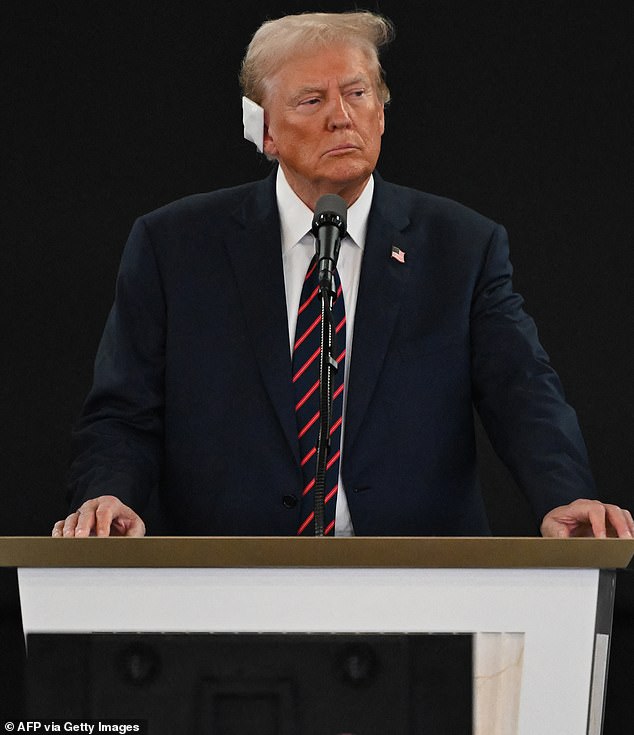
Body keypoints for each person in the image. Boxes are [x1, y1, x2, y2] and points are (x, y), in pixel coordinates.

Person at [53, 11, 632, 540]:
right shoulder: (174, 245)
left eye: (357, 93)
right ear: (264, 131)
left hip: (419, 586)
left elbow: (522, 390)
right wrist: (109, 495)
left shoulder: (461, 245)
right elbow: (123, 410)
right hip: (229, 586)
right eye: (311, 100)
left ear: (380, 111)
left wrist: (564, 496)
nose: (341, 116)